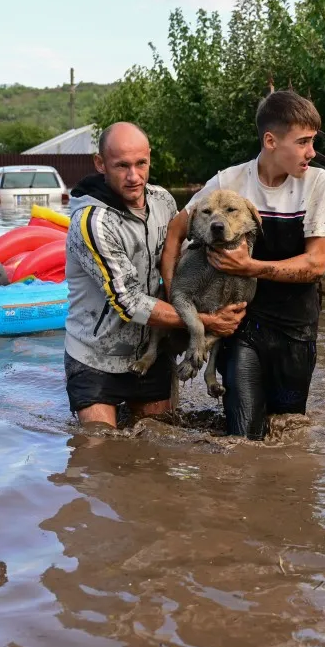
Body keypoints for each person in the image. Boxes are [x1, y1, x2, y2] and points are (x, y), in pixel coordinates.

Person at [162, 91, 325, 440]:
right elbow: (174, 233)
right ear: (271, 141)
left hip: (296, 329)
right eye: (303, 142)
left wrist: (249, 267)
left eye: (312, 142)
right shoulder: (229, 182)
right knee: (243, 439)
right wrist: (179, 304)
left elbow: (316, 265)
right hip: (243, 326)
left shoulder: (319, 183)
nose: (311, 152)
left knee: (287, 434)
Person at [64, 122, 246, 428]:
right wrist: (207, 322)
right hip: (96, 358)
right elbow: (129, 303)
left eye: (140, 164)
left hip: (154, 349)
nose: (134, 176)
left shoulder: (162, 200)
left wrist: (239, 262)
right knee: (95, 453)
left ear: (150, 158)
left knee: (158, 448)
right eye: (121, 166)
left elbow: (186, 255)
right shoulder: (92, 223)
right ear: (100, 164)